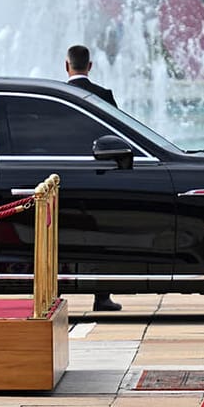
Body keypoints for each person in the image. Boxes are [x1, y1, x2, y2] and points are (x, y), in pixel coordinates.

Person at [65, 45, 122, 313]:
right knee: (99, 234)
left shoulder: (57, 94)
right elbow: (118, 132)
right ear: (90, 66)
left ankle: (53, 294)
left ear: (67, 66)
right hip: (98, 174)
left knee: (60, 233)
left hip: (63, 174)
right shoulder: (103, 95)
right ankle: (102, 296)